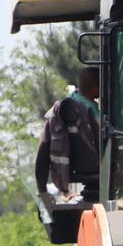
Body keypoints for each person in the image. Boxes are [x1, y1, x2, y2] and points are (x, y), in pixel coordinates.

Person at [36, 66, 101, 202]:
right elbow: (105, 145)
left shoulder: (60, 110)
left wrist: (42, 191)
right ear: (96, 89)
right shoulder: (91, 111)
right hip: (98, 169)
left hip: (69, 172)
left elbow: (43, 149)